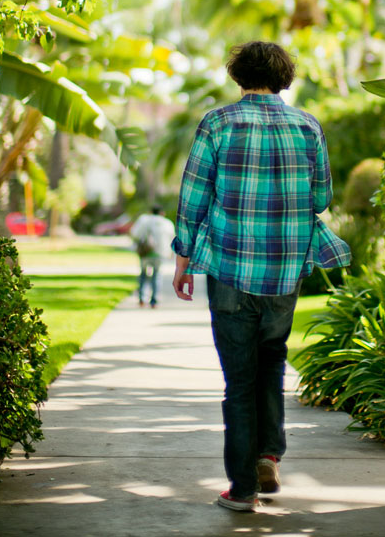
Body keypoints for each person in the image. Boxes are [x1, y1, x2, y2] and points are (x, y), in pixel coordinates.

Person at [172, 40, 351, 512]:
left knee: (239, 381)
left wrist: (183, 260)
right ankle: (268, 455)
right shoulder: (307, 126)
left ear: (239, 75)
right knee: (271, 362)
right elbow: (320, 199)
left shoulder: (218, 123)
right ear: (283, 76)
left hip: (231, 268)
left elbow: (193, 198)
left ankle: (242, 488)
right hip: (285, 273)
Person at [130, 206, 174, 307]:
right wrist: (171, 253)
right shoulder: (168, 223)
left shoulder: (144, 220)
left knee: (143, 275)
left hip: (146, 252)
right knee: (156, 275)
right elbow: (172, 238)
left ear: (150, 212)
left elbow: (135, 234)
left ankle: (142, 298)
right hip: (161, 253)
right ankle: (154, 300)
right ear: (162, 213)